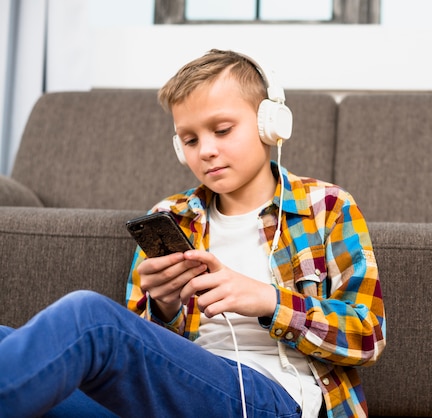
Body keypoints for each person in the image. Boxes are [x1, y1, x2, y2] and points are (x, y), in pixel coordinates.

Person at [0, 49, 386, 418]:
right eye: (190, 140)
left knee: (91, 318)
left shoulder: (327, 207)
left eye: (222, 130)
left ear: (270, 125)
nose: (205, 151)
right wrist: (165, 307)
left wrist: (269, 301)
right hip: (180, 396)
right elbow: (142, 362)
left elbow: (368, 335)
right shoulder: (170, 216)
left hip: (272, 399)